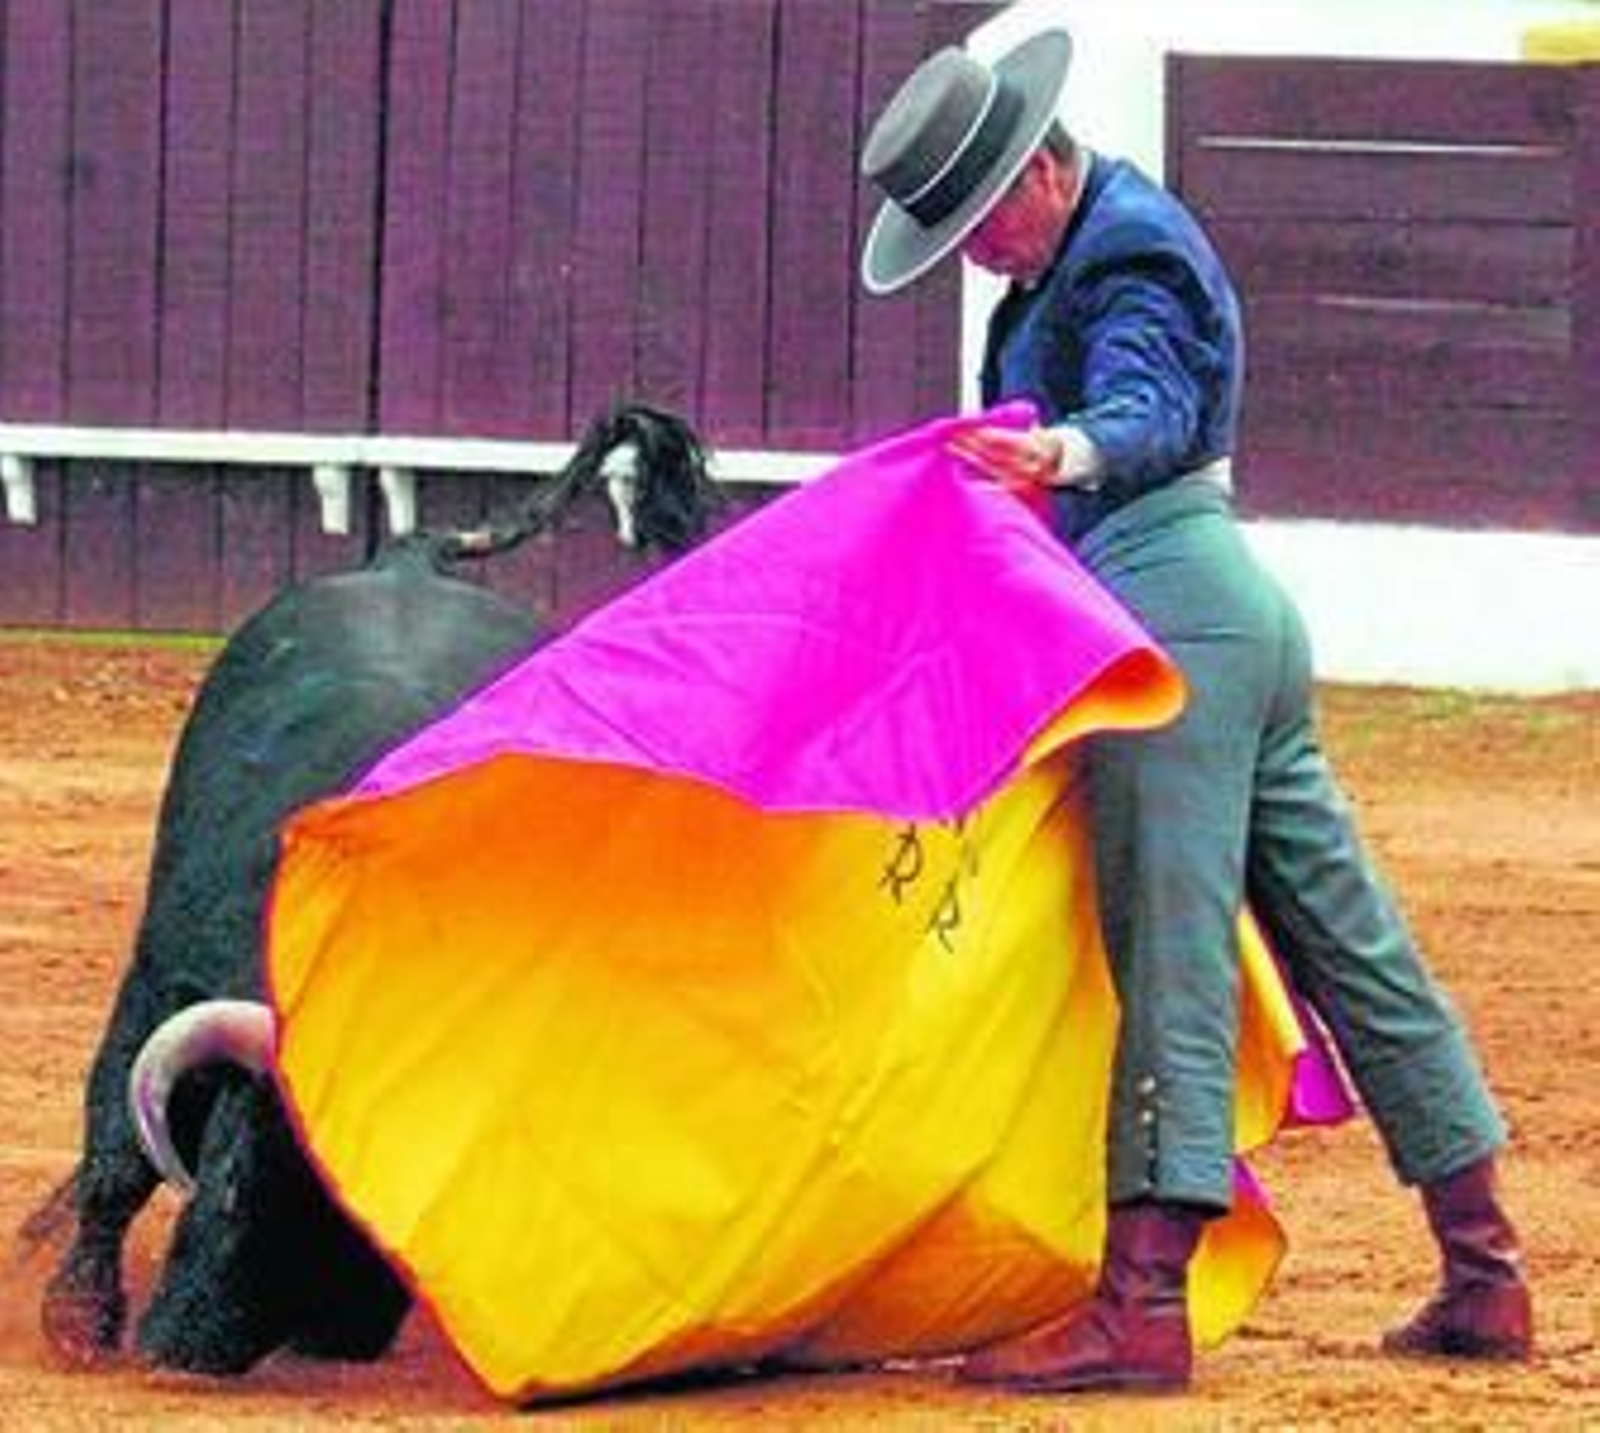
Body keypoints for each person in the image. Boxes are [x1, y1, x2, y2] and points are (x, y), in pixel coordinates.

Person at [857, 26, 1534, 1395]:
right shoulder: (1070, 255)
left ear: (1035, 170)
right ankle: (1486, 1267)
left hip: (1166, 615)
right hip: (1221, 610)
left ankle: (1142, 1302)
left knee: (1167, 940)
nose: (974, 256)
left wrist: (1067, 448)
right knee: (1348, 935)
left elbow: (1152, 406)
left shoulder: (1128, 246)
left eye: (976, 225)